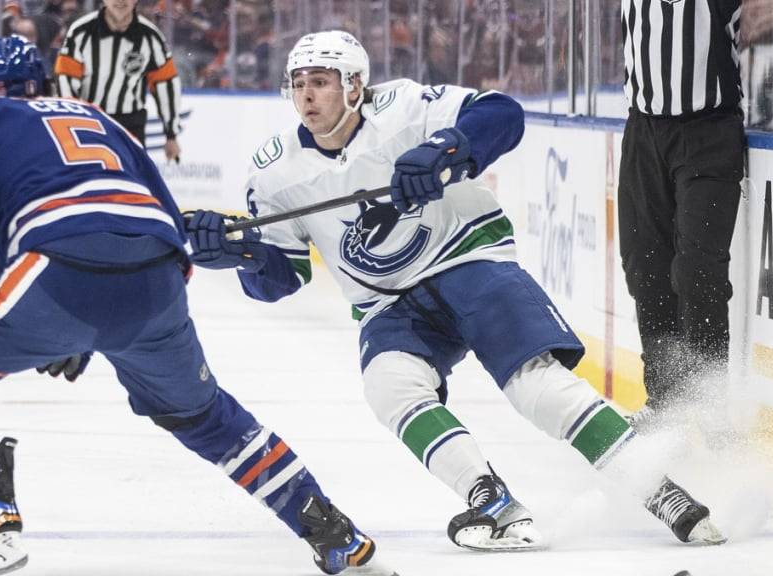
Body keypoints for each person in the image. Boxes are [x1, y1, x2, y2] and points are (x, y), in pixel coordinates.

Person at [0, 36, 395, 576]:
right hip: (157, 278)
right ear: (42, 82)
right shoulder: (98, 119)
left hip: (56, 267)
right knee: (205, 417)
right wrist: (84, 328)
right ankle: (331, 530)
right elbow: (168, 223)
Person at [184, 30, 727, 552]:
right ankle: (489, 501)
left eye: (322, 80)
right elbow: (281, 279)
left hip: (468, 260)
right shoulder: (275, 170)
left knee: (535, 388)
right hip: (388, 304)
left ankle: (658, 487)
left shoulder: (403, 107)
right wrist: (243, 252)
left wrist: (448, 149)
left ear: (355, 85)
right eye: (299, 82)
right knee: (389, 388)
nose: (307, 93)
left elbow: (503, 114)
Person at [619, 1, 746, 422]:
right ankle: (666, 401)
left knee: (698, 271)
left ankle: (711, 407)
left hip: (709, 126)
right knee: (645, 266)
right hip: (643, 129)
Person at [55, 0, 182, 160]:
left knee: (133, 183)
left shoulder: (150, 37)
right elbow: (65, 79)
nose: (120, 1)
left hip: (131, 128)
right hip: (88, 124)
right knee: (90, 181)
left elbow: (166, 85)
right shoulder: (80, 32)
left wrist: (171, 135)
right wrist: (72, 122)